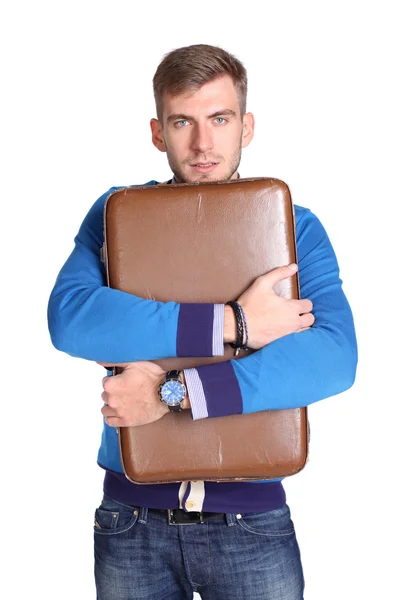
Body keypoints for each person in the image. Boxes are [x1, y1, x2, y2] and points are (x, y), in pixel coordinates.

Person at [47, 44, 357, 600]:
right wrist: (234, 323)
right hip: (130, 520)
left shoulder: (294, 227)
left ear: (248, 125)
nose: (203, 143)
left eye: (220, 118)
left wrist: (174, 390)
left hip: (253, 526)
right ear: (157, 132)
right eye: (182, 121)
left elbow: (333, 357)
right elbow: (72, 320)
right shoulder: (116, 214)